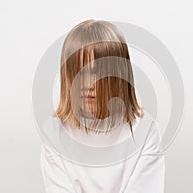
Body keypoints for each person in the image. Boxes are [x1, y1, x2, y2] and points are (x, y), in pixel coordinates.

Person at [39, 19, 165, 193]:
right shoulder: (54, 133)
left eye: (97, 71)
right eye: (78, 73)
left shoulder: (145, 131)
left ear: (119, 74)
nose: (86, 84)